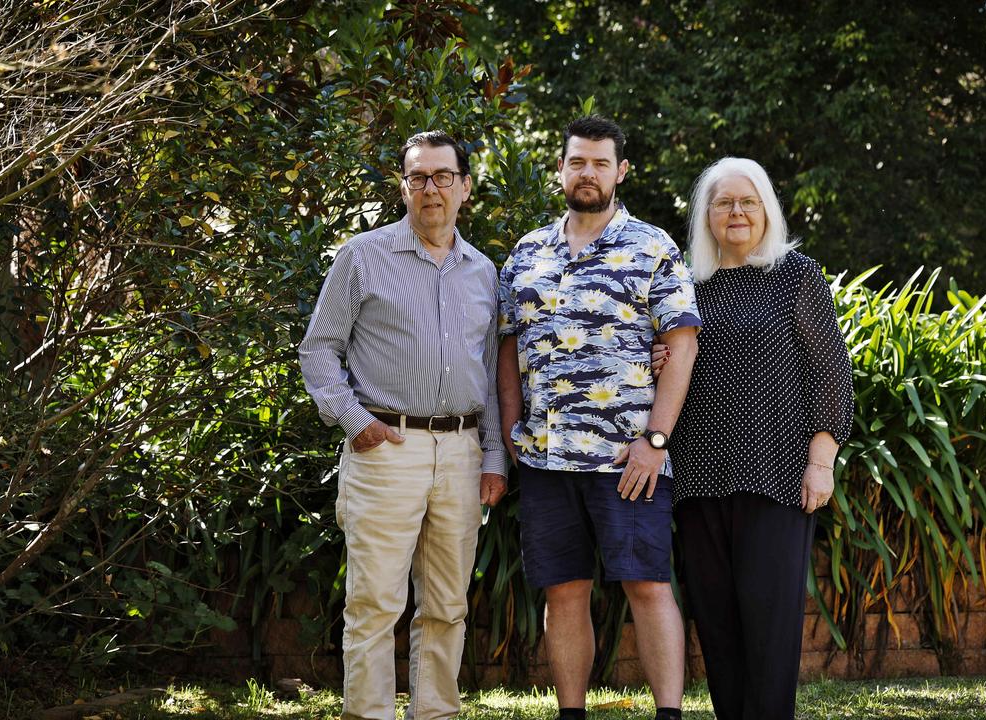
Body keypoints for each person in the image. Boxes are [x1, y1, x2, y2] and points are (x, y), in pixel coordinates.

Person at [496, 115, 702, 720]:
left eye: (600, 163)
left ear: (621, 171)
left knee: (647, 584)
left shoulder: (652, 246)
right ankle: (571, 713)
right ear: (560, 168)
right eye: (578, 162)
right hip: (544, 457)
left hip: (627, 458)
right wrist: (513, 429)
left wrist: (656, 441)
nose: (588, 173)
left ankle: (669, 713)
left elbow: (682, 345)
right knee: (563, 592)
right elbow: (508, 345)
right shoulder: (528, 252)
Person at [298, 130, 508, 720]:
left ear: (465, 188)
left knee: (447, 604)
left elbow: (490, 370)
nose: (431, 189)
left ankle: (435, 713)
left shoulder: (483, 272)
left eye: (444, 177)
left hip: (462, 453)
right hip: (385, 448)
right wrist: (354, 421)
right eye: (418, 177)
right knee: (373, 604)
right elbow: (318, 350)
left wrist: (493, 455)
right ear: (403, 186)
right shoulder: (361, 257)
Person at [655, 157, 854, 719]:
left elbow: (832, 373)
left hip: (777, 476)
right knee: (716, 622)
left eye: (748, 201)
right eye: (724, 203)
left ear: (766, 209)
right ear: (707, 215)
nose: (737, 212)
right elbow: (670, 364)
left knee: (768, 625)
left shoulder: (795, 275)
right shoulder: (686, 283)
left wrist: (822, 461)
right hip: (700, 478)